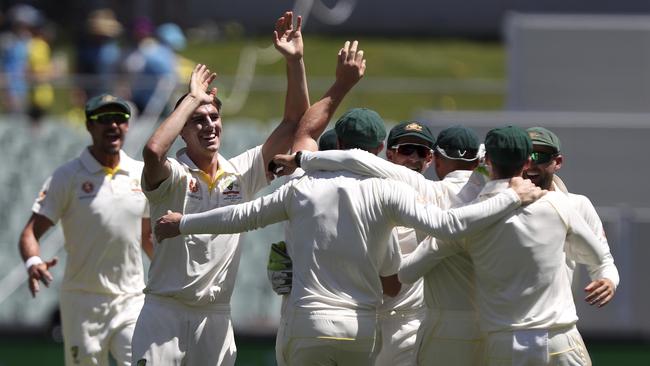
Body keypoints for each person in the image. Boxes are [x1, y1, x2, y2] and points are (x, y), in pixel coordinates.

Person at [131, 12, 310, 366]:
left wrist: (295, 61)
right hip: (164, 312)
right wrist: (190, 99)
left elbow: (293, 123)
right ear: (182, 129)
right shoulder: (173, 176)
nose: (210, 125)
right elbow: (153, 150)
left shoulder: (240, 172)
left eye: (214, 117)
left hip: (215, 317)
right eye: (199, 120)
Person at [401, 126, 619, 365]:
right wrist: (606, 277)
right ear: (526, 162)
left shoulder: (470, 220)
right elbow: (601, 259)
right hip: (558, 339)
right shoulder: (558, 205)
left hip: (502, 344)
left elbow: (407, 271)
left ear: (487, 162)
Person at [18, 93, 152, 366]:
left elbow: (147, 237)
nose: (112, 125)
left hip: (132, 299)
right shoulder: (66, 177)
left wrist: (172, 274)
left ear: (128, 126)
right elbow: (30, 233)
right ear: (89, 125)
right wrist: (33, 261)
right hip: (82, 303)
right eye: (103, 119)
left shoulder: (141, 174)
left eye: (119, 118)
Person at [524, 127, 617, 304]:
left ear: (557, 162)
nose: (531, 164)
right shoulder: (499, 204)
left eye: (540, 156)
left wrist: (608, 280)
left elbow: (603, 260)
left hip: (560, 322)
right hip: (507, 324)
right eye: (525, 156)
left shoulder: (578, 205)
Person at [374, 121, 436, 366]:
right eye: (407, 150)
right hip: (368, 318)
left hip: (413, 322)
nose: (414, 158)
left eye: (422, 152)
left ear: (430, 159)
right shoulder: (373, 196)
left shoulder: (436, 199)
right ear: (390, 154)